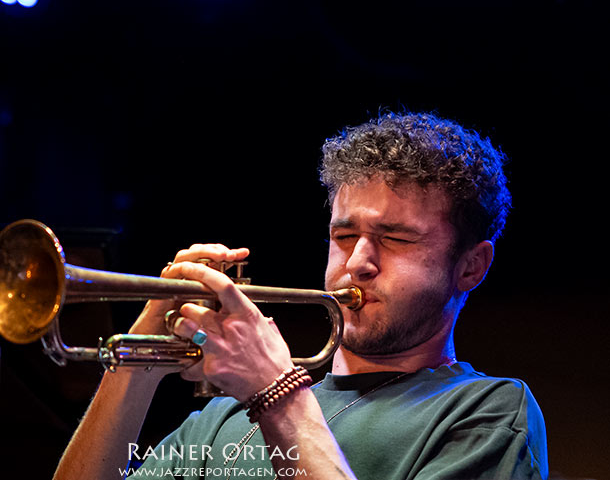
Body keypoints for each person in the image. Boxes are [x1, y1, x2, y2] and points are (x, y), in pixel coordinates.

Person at [53, 111, 548, 480]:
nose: (358, 262)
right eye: (344, 236)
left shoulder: (486, 412)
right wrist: (138, 359)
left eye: (396, 238)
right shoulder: (222, 419)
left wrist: (277, 392)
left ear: (471, 266)